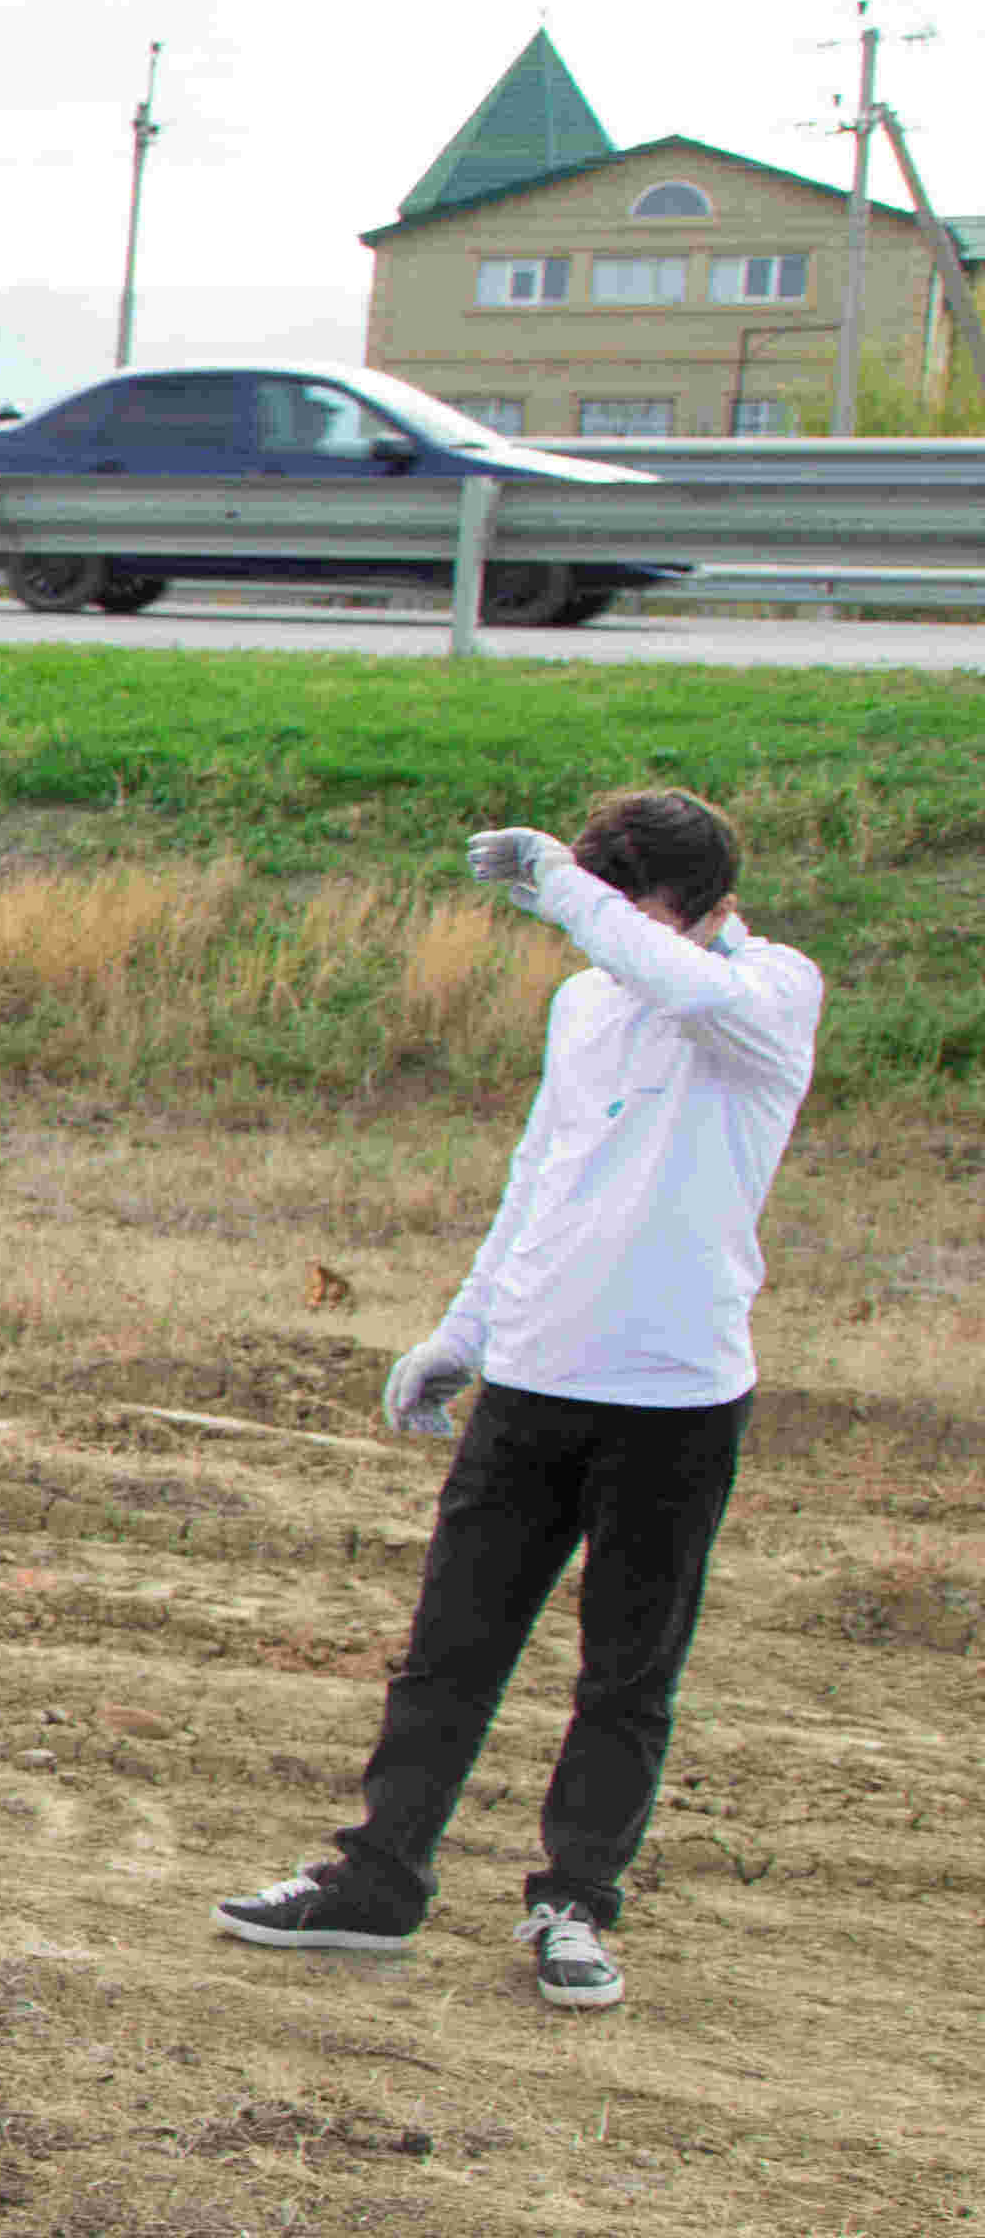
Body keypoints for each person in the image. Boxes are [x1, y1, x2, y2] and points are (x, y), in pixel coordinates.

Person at [217, 796, 818, 2011]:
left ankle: (574, 1904)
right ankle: (376, 1881)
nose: (580, 934)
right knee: (449, 1652)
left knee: (626, 1673)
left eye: (604, 908)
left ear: (681, 905)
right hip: (534, 1378)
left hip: (675, 1396)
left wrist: (564, 885)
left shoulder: (767, 993)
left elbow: (683, 985)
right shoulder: (587, 1001)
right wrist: (465, 1331)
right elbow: (544, 1172)